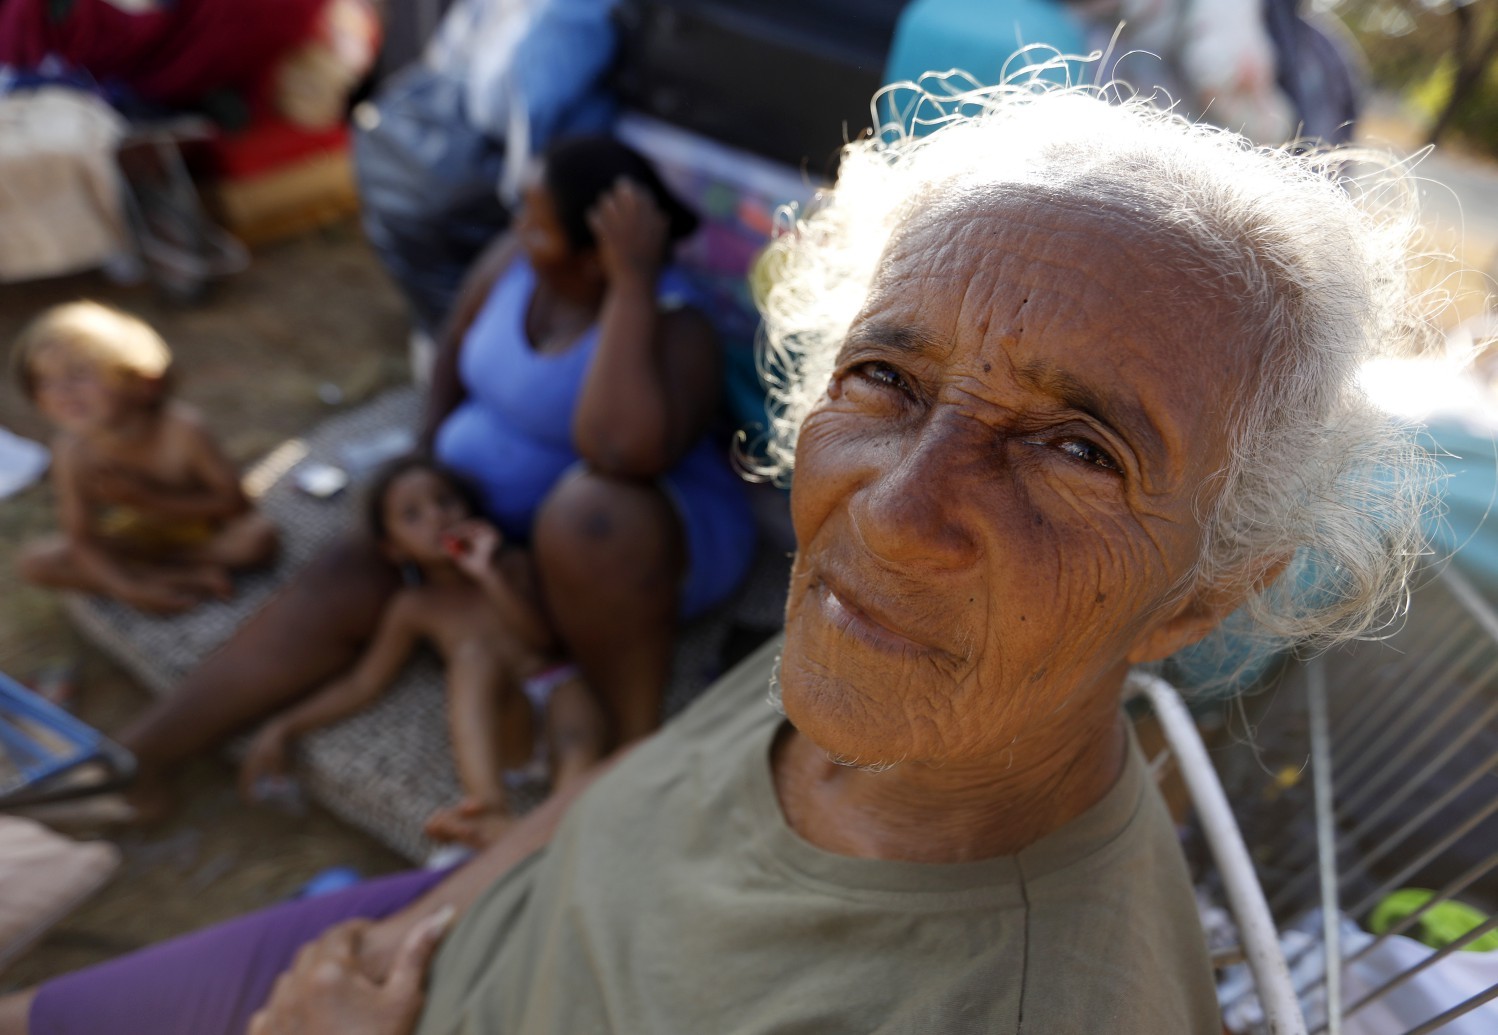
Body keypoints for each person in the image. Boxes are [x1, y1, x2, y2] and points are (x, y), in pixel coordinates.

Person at [1, 82, 1439, 1034]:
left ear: (1199, 595)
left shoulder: (1010, 996)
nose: (887, 512)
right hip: (437, 945)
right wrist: (436, 910)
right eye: (885, 377)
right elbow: (637, 784)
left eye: (1076, 449)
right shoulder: (887, 665)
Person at [115, 135, 757, 817]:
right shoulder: (516, 264)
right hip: (482, 537)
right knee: (348, 569)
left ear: (597, 254)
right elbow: (453, 353)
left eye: (537, 224)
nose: (518, 231)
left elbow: (621, 452)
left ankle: (625, 751)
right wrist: (418, 476)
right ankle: (136, 759)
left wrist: (631, 283)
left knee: (589, 510)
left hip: (620, 553)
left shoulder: (670, 321)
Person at [238, 456, 605, 847]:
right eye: (412, 515)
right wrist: (286, 725)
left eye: (445, 502)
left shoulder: (510, 565)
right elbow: (363, 683)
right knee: (473, 657)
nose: (436, 518)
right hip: (510, 725)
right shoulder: (416, 607)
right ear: (394, 549)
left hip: (559, 699)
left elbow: (543, 643)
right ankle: (488, 807)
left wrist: (488, 576)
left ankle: (562, 815)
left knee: (572, 699)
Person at [14, 300, 278, 614]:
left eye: (79, 374)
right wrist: (126, 588)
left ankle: (172, 572)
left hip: (204, 532)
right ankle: (184, 578)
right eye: (46, 381)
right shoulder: (71, 450)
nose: (62, 392)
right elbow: (82, 538)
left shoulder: (183, 430)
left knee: (257, 539)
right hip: (141, 538)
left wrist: (144, 498)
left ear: (142, 381)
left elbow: (236, 504)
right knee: (35, 562)